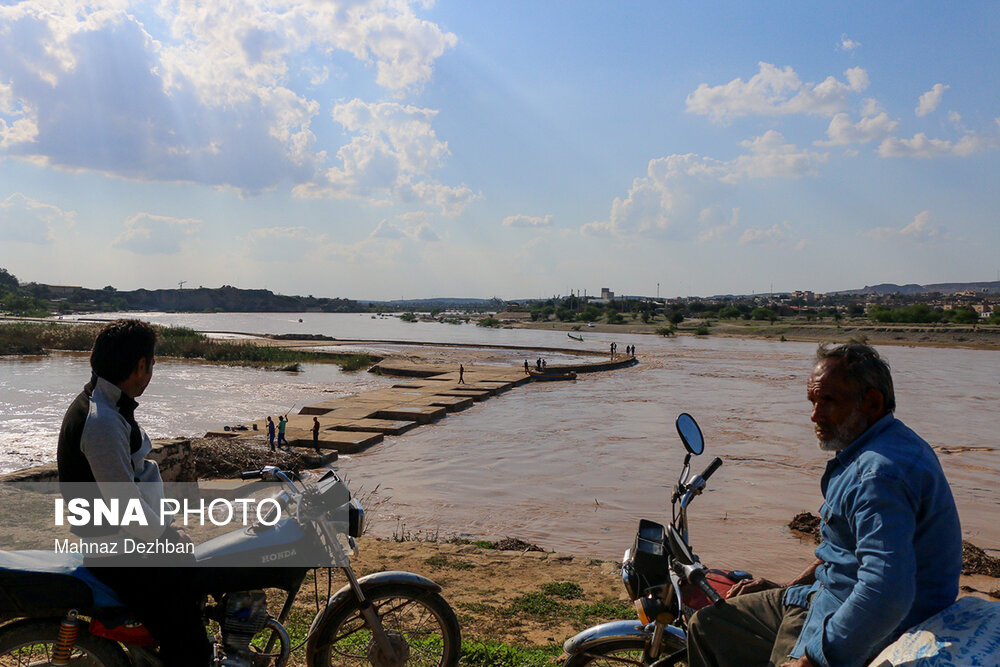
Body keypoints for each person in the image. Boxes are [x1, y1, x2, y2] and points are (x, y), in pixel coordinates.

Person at [686, 343, 961, 667]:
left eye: (828, 401)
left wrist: (812, 661)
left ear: (871, 402)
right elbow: (847, 551)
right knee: (706, 624)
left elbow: (887, 592)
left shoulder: (877, 475)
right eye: (813, 401)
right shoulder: (889, 444)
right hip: (823, 594)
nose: (815, 415)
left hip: (863, 621)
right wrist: (791, 586)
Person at [57, 320, 206, 665]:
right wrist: (166, 535)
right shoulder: (102, 421)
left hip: (128, 543)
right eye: (152, 363)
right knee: (191, 646)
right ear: (141, 365)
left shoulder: (104, 404)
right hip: (120, 551)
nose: (151, 372)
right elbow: (125, 507)